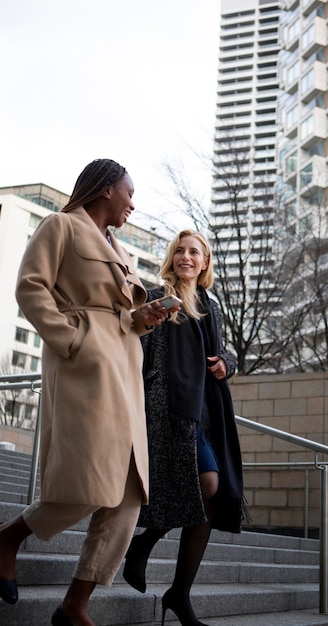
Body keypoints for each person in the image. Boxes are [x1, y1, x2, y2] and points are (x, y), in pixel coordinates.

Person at [0, 159, 174, 626]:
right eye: (128, 193)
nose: (132, 204)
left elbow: (125, 315)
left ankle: (75, 605)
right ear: (105, 190)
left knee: (130, 492)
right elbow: (30, 287)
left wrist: (146, 318)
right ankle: (8, 539)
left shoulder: (121, 251)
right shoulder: (61, 226)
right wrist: (73, 340)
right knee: (87, 481)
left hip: (124, 369)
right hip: (86, 369)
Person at [123, 229, 246, 626]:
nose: (186, 257)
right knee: (206, 485)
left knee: (211, 495)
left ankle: (180, 592)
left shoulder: (212, 306)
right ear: (173, 258)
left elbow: (224, 352)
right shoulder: (159, 297)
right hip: (171, 409)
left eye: (194, 252)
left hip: (209, 410)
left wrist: (227, 362)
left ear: (205, 262)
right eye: (180, 250)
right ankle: (143, 544)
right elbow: (135, 345)